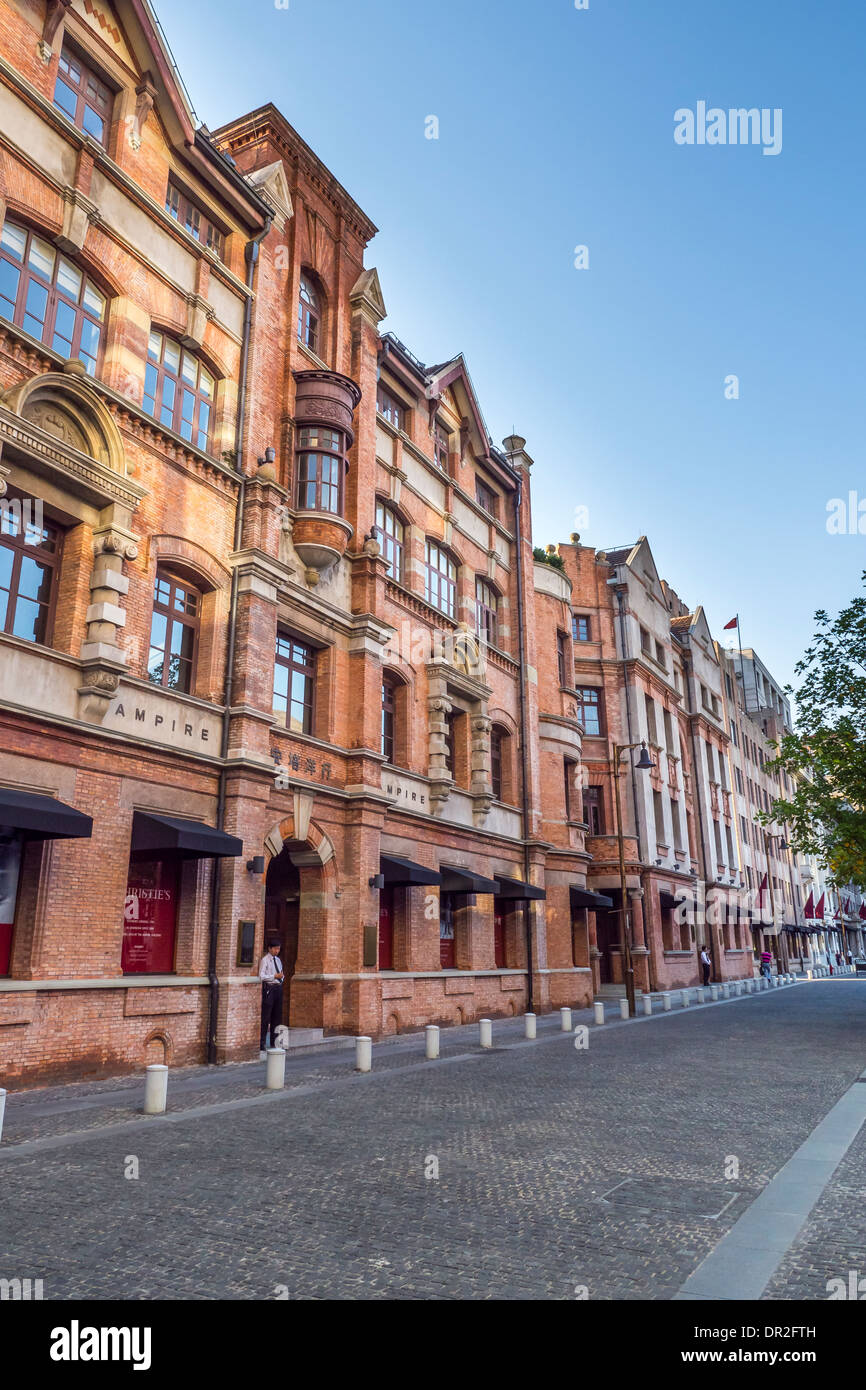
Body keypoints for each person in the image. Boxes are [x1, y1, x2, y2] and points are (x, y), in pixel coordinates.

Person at [258, 938, 285, 1057]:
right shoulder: (265, 960)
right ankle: (262, 1042)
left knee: (277, 1016)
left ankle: (275, 1042)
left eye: (278, 949)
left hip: (278, 988)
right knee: (266, 1016)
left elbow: (281, 973)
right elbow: (261, 976)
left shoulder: (278, 960)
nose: (277, 951)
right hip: (269, 988)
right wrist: (274, 976)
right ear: (269, 948)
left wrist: (280, 978)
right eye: (275, 948)